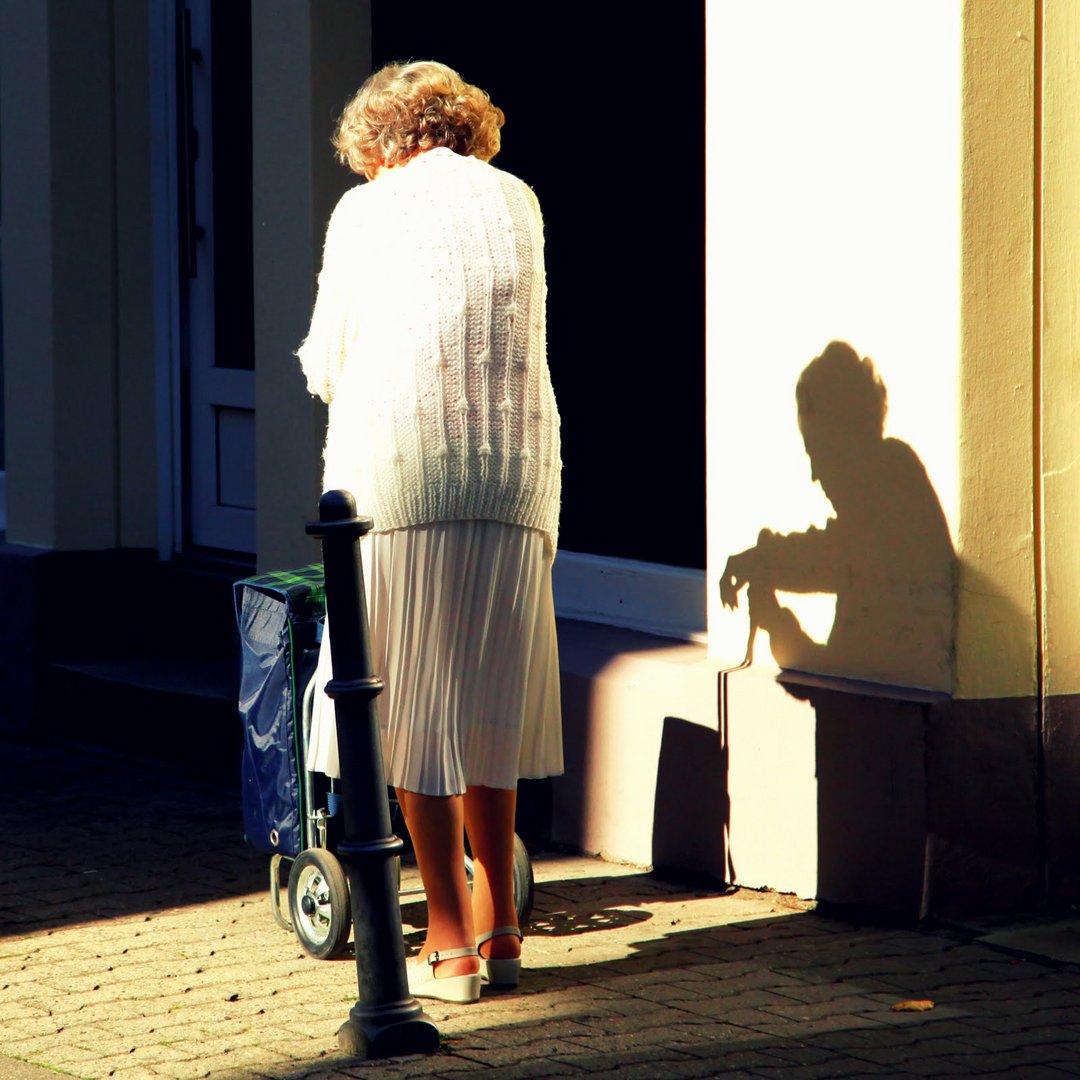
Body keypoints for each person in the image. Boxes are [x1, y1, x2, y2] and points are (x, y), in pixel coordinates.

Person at [296, 60, 563, 1004]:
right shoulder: (518, 197)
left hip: (403, 481)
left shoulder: (367, 212)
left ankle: (445, 949)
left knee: (405, 710)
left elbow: (327, 359)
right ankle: (504, 933)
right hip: (514, 481)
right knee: (489, 703)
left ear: (382, 141)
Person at [720, 341, 953, 689]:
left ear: (844, 441)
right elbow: (834, 550)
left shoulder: (891, 492)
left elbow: (843, 677)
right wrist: (763, 561)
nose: (815, 474)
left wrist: (776, 621)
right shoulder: (895, 488)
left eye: (819, 452)